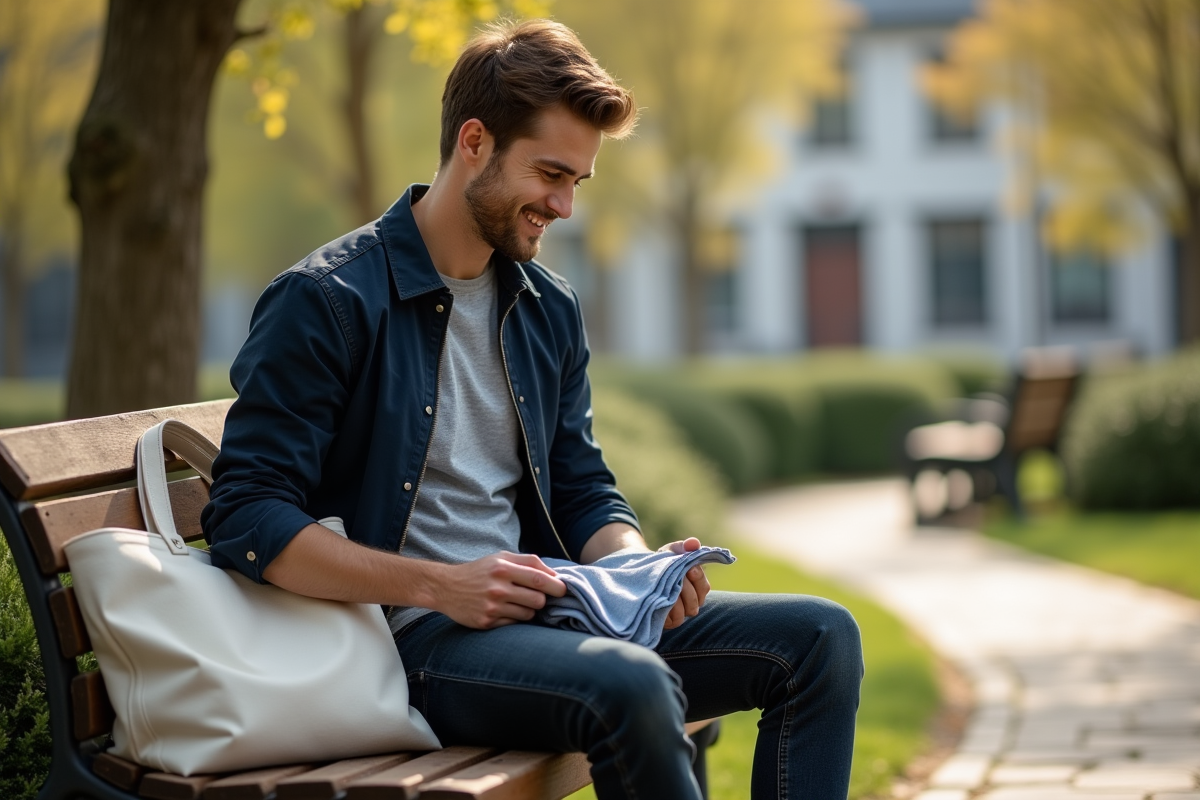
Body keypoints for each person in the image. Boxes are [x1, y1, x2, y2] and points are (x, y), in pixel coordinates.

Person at [202, 19, 863, 799]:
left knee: (821, 637)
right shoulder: (328, 300)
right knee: (632, 683)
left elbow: (582, 486)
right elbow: (247, 516)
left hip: (552, 620)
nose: (564, 205)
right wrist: (438, 585)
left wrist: (635, 570)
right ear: (474, 141)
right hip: (407, 644)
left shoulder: (548, 308)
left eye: (577, 181)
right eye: (550, 173)